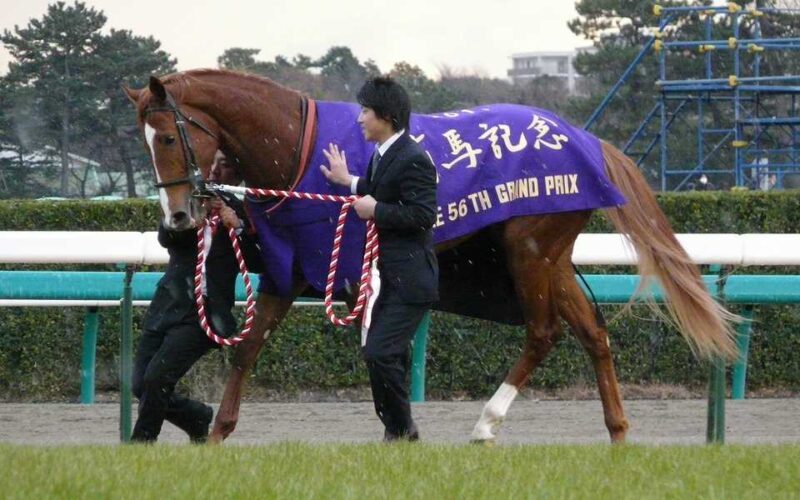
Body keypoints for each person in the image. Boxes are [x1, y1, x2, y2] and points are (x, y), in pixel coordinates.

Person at [320, 76, 439, 441]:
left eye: (366, 111)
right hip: (390, 278)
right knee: (387, 356)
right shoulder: (384, 154)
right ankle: (397, 432)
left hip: (412, 279)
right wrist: (350, 182)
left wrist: (377, 210)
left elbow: (423, 215)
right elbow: (377, 190)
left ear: (385, 116)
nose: (360, 119)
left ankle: (402, 430)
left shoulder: (414, 158)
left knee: (380, 353)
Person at [131, 151, 263, 443]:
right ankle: (195, 417)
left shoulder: (244, 211)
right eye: (212, 163)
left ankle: (140, 446)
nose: (215, 171)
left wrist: (236, 226)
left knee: (158, 378)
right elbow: (167, 239)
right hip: (169, 303)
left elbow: (257, 260)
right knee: (140, 384)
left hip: (205, 316)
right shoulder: (188, 199)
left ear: (237, 175)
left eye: (225, 165)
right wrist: (185, 221)